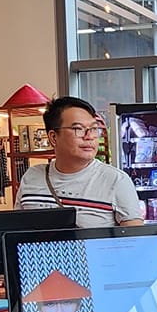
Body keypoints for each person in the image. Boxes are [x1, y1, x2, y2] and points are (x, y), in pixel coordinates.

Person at [16, 96, 143, 229]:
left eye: (94, 129)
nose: (89, 136)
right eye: (78, 129)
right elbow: (15, 231)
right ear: (53, 137)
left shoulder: (116, 180)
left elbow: (135, 238)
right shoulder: (32, 176)